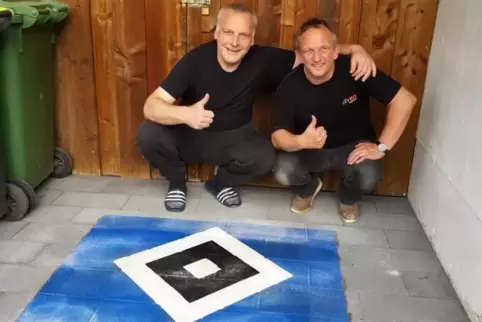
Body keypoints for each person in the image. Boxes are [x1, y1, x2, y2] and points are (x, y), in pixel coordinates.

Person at [136, 2, 378, 212]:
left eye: (243, 35)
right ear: (217, 33)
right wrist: (185, 113)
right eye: (228, 32)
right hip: (191, 134)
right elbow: (150, 106)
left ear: (251, 39)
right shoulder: (195, 60)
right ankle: (177, 183)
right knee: (148, 133)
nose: (234, 42)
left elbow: (313, 54)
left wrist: (355, 49)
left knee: (265, 157)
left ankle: (221, 183)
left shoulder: (264, 59)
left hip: (234, 138)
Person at [271, 17, 417, 223]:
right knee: (283, 170)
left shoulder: (356, 68)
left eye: (324, 48)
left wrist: (381, 147)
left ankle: (348, 199)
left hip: (352, 150)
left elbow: (405, 100)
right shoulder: (289, 84)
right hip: (311, 150)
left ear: (336, 51)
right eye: (309, 51)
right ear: (301, 55)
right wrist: (301, 141)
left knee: (368, 175)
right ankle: (308, 188)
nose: (317, 57)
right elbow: (278, 137)